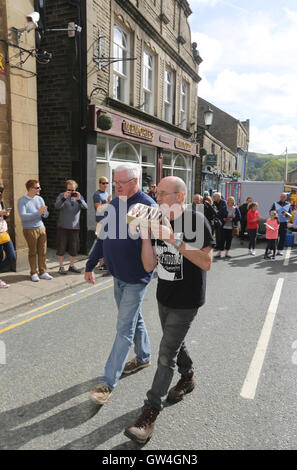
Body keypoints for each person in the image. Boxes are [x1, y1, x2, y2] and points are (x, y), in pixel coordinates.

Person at [124, 176, 214, 445]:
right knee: (175, 344)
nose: (156, 196)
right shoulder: (154, 221)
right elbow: (150, 266)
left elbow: (207, 262)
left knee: (165, 354)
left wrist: (175, 240)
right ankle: (187, 377)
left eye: (162, 193)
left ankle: (148, 414)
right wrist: (145, 237)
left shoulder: (197, 221)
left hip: (187, 300)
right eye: (156, 192)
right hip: (165, 295)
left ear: (179, 196)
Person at [84, 163, 156, 405]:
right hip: (118, 277)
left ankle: (107, 383)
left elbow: (156, 244)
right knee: (134, 318)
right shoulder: (114, 203)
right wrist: (89, 264)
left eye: (121, 183)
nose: (116, 187)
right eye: (114, 183)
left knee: (124, 328)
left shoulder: (148, 205)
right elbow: (103, 237)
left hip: (137, 279)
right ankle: (144, 356)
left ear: (135, 182)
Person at [17, 180, 53, 282]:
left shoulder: (40, 199)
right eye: (37, 187)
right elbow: (23, 217)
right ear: (31, 189)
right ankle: (33, 273)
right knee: (33, 252)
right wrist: (38, 213)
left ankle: (43, 272)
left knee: (43, 252)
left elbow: (46, 215)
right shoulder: (22, 200)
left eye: (39, 187)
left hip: (41, 227)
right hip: (29, 229)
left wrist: (44, 213)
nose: (39, 189)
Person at [55, 180, 88, 275]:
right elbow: (57, 206)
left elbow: (86, 207)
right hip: (63, 226)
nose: (71, 192)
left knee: (73, 248)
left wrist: (79, 199)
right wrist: (64, 198)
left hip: (74, 227)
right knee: (61, 247)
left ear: (75, 189)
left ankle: (71, 266)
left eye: (72, 190)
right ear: (66, 188)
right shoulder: (62, 195)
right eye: (69, 190)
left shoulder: (78, 196)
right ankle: (61, 267)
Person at [0, 183, 16, 288]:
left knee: (12, 256)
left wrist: (6, 214)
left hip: (4, 232)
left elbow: (3, 217)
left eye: (1, 191)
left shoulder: (1, 202)